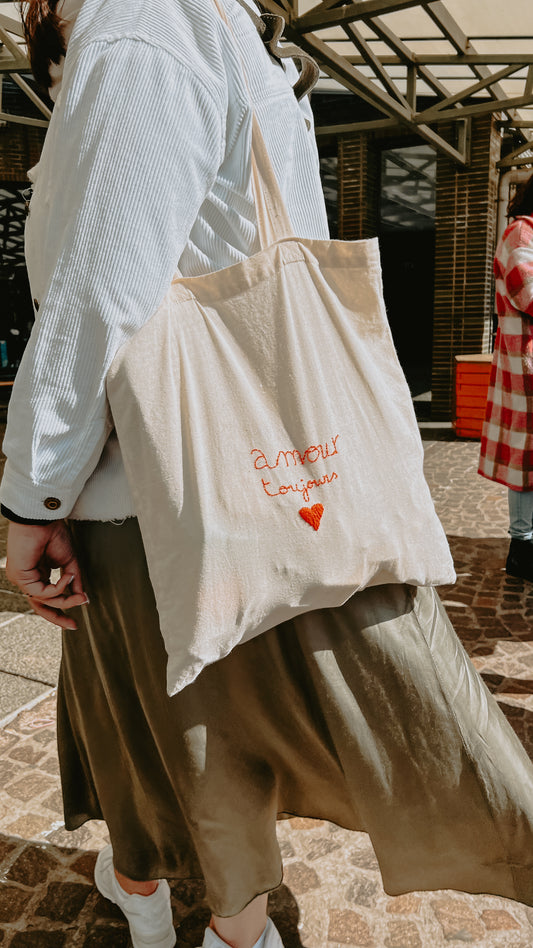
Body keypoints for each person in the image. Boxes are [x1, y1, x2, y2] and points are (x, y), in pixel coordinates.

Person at [5, 2, 533, 948]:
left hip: (156, 478)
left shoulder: (137, 25)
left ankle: (190, 909)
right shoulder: (225, 27)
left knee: (179, 723)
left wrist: (31, 493)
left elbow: (96, 292)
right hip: (253, 476)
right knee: (216, 719)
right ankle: (221, 921)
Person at [479, 175, 533, 581]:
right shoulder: (520, 233)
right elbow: (527, 291)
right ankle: (523, 547)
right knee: (524, 457)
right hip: (526, 364)